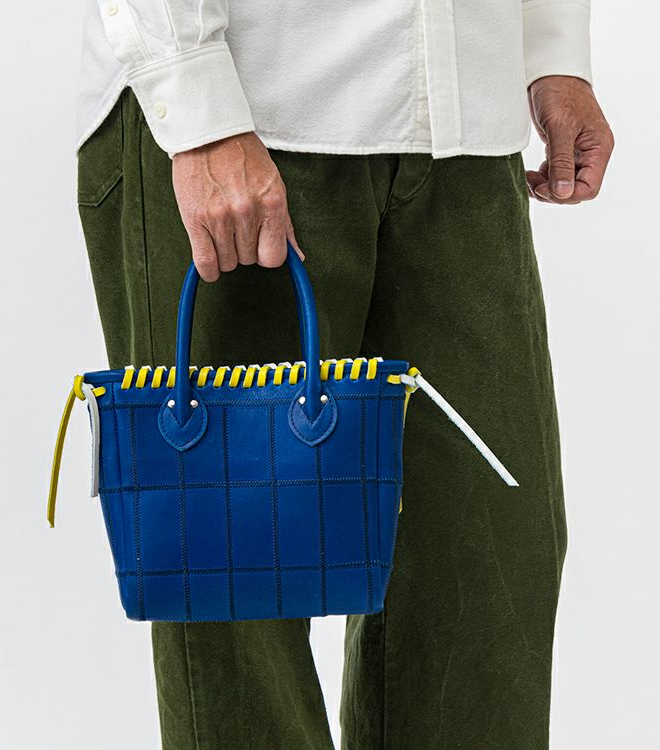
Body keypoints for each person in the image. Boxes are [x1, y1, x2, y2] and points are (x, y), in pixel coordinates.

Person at [75, 1, 613, 747]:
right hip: (249, 111)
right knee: (233, 595)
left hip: (468, 125)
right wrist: (194, 100)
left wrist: (553, 52)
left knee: (488, 566)